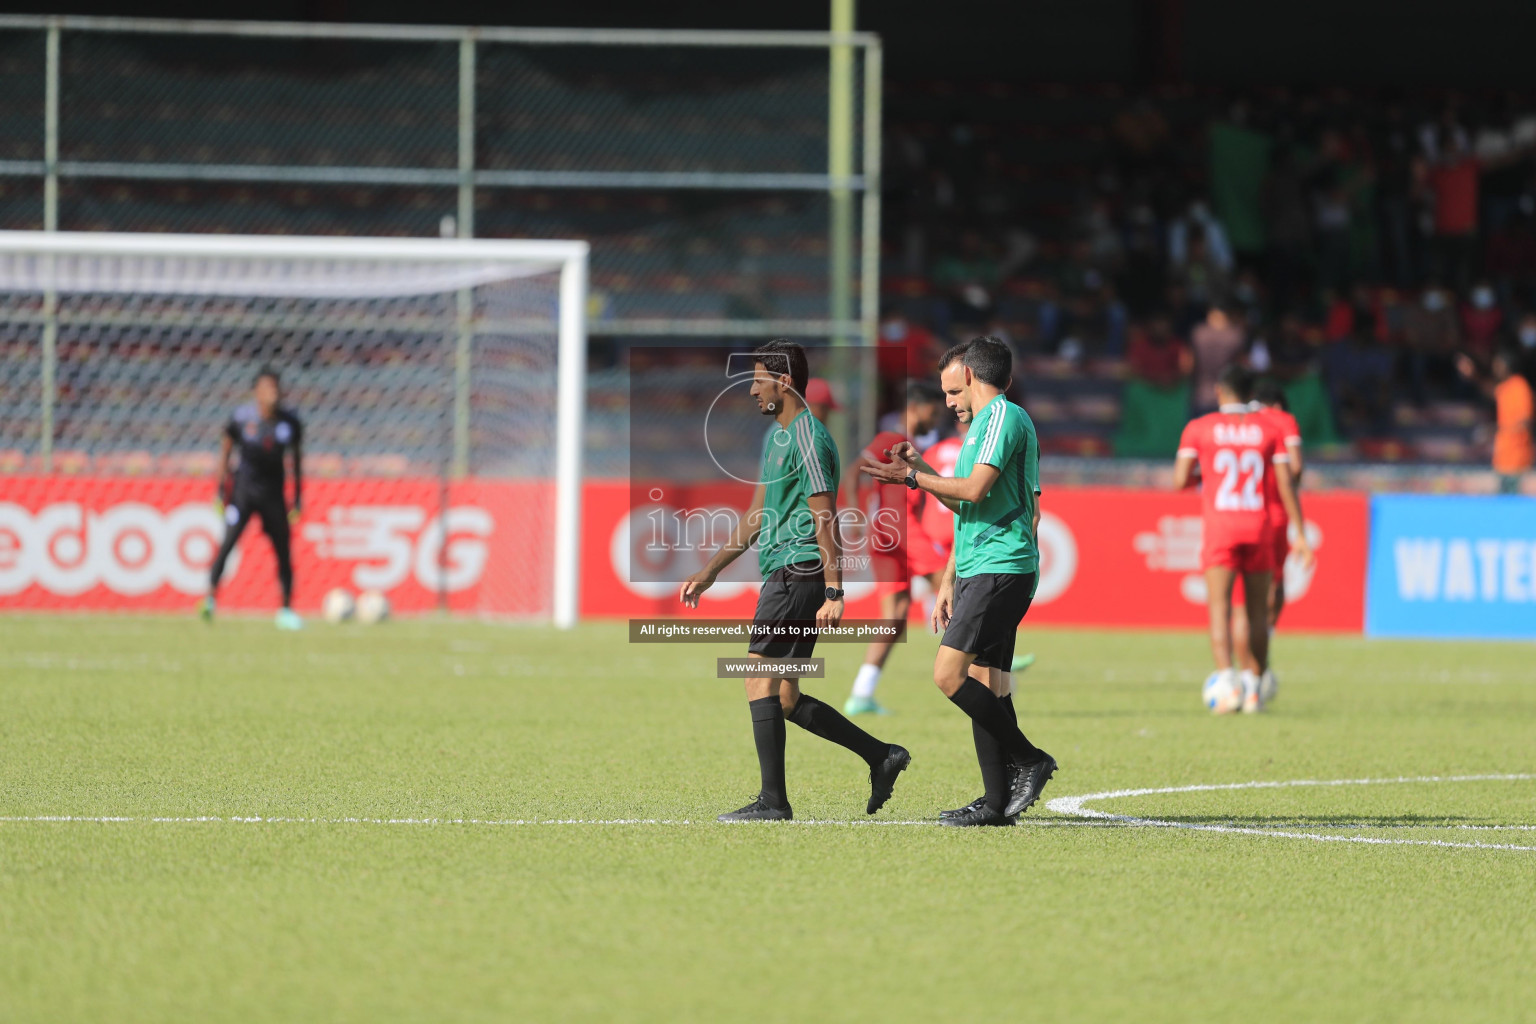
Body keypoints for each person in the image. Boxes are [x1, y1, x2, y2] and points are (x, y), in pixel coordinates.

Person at [680, 340, 910, 822]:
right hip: (787, 571)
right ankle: (880, 755)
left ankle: (773, 803)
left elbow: (825, 517)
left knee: (755, 678)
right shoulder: (777, 438)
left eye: (758, 380)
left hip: (800, 570)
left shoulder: (808, 436)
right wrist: (710, 571)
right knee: (783, 695)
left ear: (783, 383)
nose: (751, 391)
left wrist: (834, 589)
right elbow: (759, 515)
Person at [861, 337, 1055, 827]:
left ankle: (1029, 760)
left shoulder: (1003, 419)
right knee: (986, 680)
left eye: (950, 390)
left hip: (1000, 564)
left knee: (949, 675)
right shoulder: (982, 430)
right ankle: (995, 803)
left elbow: (972, 490)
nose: (947, 401)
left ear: (969, 375)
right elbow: (967, 507)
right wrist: (922, 471)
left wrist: (911, 481)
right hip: (978, 565)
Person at [1175, 366, 1312, 714]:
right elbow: (1286, 481)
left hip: (1221, 527)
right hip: (1259, 525)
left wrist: (1206, 474)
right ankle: (1254, 687)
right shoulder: (1269, 430)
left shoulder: (1199, 428)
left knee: (1220, 609)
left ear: (1219, 392)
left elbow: (1180, 479)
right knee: (1257, 613)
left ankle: (1227, 682)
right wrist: (1300, 531)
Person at [843, 382, 944, 716]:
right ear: (916, 407)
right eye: (934, 409)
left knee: (895, 617)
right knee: (951, 585)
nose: (937, 416)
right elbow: (853, 471)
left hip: (888, 534)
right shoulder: (890, 439)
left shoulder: (913, 445)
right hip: (900, 529)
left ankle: (861, 693)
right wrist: (857, 511)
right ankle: (993, 654)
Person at [204, 366, 304, 630]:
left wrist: (298, 497)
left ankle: (286, 610)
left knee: (283, 551)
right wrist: (220, 490)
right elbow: (226, 451)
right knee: (227, 543)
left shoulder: (289, 422)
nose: (273, 393)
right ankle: (210, 600)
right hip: (243, 493)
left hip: (274, 494)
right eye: (268, 388)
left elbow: (296, 461)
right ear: (257, 392)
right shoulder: (241, 418)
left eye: (276, 388)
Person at [1231, 378, 1305, 698]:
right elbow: (1295, 470)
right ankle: (1255, 674)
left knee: (1237, 605)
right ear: (1277, 405)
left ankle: (1238, 673)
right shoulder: (1282, 421)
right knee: (1268, 598)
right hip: (1272, 518)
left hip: (1235, 515)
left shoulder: (1239, 424)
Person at [1458, 348, 1533, 494]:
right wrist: (1474, 375)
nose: (1495, 367)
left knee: (1513, 503)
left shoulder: (1520, 386)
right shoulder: (1506, 387)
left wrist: (1496, 430)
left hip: (1516, 457)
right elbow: (1491, 390)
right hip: (1503, 458)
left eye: (1498, 364)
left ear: (1507, 365)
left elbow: (1525, 423)